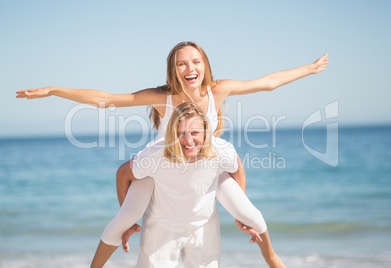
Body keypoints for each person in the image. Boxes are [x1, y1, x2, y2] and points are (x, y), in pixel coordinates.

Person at [16, 41, 328, 265]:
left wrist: (310, 69)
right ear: (173, 70)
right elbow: (107, 99)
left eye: (195, 61)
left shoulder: (216, 90)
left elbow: (268, 83)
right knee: (124, 217)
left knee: (250, 214)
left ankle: (271, 257)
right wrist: (55, 90)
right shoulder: (162, 97)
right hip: (162, 164)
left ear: (204, 64)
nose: (189, 67)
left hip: (204, 162)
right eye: (181, 63)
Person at [91, 102, 283, 267]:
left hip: (203, 226)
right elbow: (123, 173)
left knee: (253, 216)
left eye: (195, 132)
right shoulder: (156, 155)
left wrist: (239, 213)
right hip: (161, 227)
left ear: (206, 131)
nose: (189, 140)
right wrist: (130, 222)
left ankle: (271, 257)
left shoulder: (220, 150)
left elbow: (237, 167)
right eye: (181, 133)